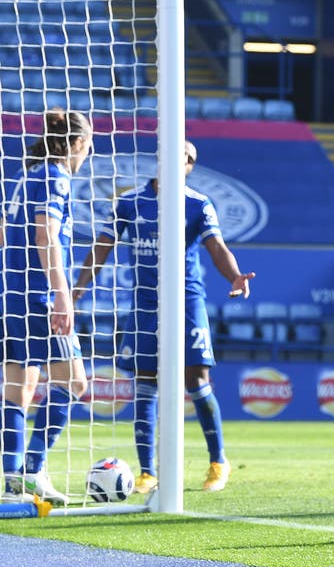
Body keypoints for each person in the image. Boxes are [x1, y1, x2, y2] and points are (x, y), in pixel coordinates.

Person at [73, 140, 254, 494]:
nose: (178, 161)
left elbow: (217, 247)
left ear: (190, 165)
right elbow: (102, 246)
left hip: (186, 300)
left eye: (186, 158)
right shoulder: (129, 203)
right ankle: (147, 472)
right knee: (145, 381)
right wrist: (79, 285)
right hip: (144, 302)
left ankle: (218, 461)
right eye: (172, 155)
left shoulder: (198, 204)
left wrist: (234, 276)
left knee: (196, 379)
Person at [2, 108, 93, 505]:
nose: (88, 154)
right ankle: (33, 469)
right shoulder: (55, 177)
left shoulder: (26, 177)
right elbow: (46, 234)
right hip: (39, 297)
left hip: (11, 294)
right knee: (74, 383)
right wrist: (61, 294)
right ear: (75, 144)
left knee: (19, 389)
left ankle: (11, 475)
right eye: (88, 146)